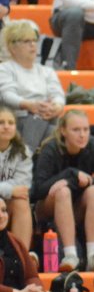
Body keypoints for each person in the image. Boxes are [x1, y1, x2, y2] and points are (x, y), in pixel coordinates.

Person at [31, 110, 94, 272]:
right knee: (63, 192)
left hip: (76, 207)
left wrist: (87, 180)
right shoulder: (50, 148)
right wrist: (71, 174)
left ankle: (93, 255)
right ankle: (71, 255)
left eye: (85, 129)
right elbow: (38, 190)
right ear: (63, 131)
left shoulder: (93, 143)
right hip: (47, 208)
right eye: (76, 130)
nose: (82, 135)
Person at [0, 197, 73, 292]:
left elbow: (31, 274)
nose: (2, 215)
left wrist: (36, 290)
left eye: (3, 210)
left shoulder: (13, 240)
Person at [0, 21, 65, 151]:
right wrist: (30, 105)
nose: (33, 45)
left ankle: (25, 162)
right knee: (49, 129)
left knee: (65, 128)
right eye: (26, 41)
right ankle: (25, 158)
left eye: (34, 40)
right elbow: (6, 95)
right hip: (17, 119)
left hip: (46, 117)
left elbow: (58, 95)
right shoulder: (5, 69)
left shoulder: (47, 71)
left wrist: (56, 107)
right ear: (13, 47)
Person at [0, 107, 33, 250]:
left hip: (9, 202)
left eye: (11, 122)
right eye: (1, 122)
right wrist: (9, 189)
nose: (6, 126)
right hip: (6, 197)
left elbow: (23, 185)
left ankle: (21, 257)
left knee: (21, 201)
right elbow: (15, 188)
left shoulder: (23, 151)